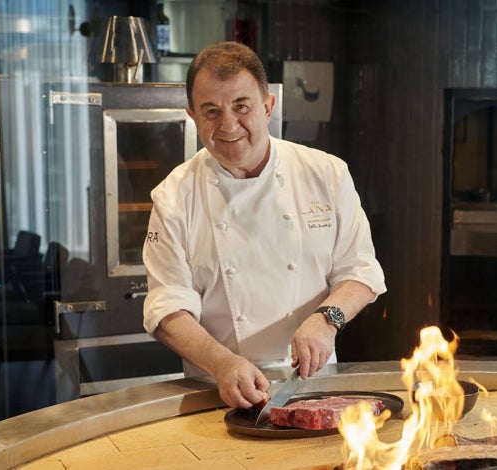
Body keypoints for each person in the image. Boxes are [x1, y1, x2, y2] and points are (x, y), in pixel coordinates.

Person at [142, 41, 386, 410]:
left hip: (313, 386)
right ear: (193, 117)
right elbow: (167, 308)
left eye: (242, 106)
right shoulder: (174, 196)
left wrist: (326, 320)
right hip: (214, 391)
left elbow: (361, 272)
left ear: (268, 106)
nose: (228, 125)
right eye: (211, 111)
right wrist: (222, 362)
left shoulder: (326, 173)